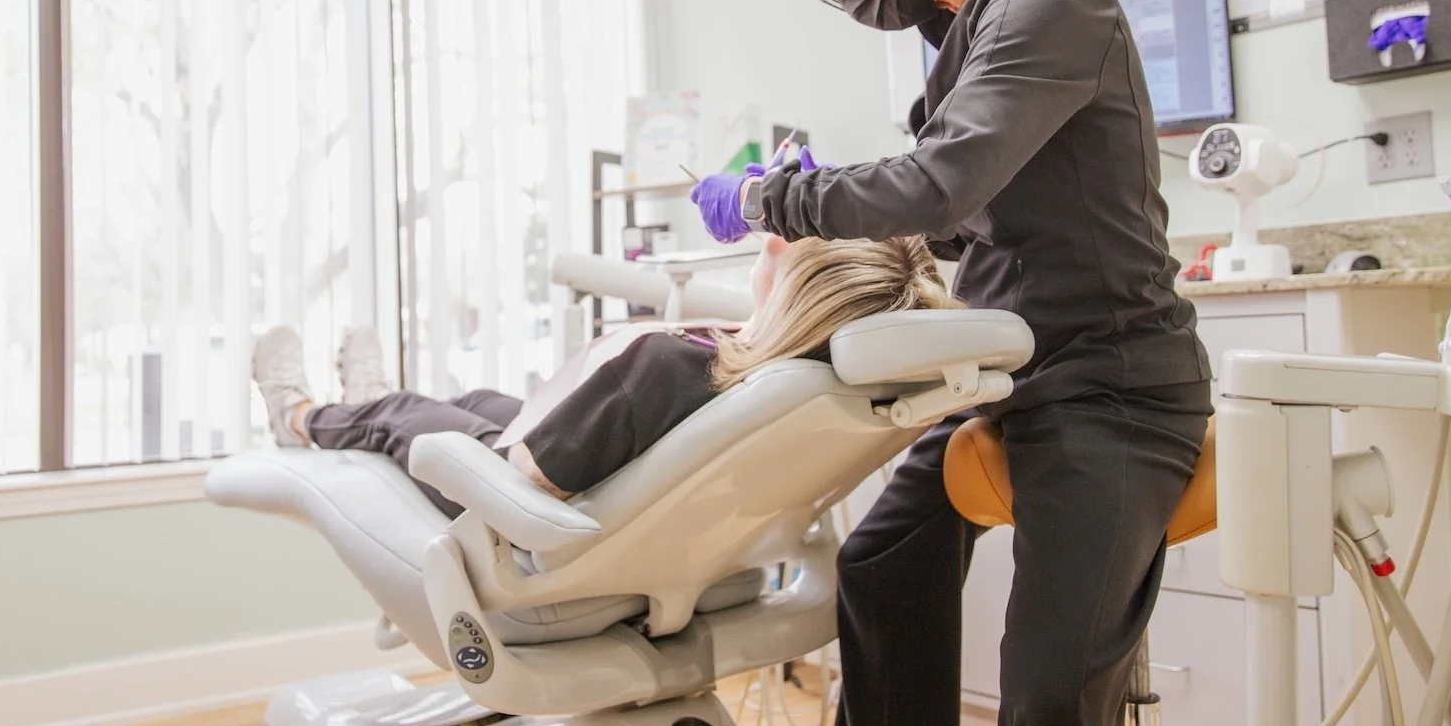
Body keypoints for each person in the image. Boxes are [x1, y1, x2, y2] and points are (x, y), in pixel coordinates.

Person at [693, 0, 1211, 726]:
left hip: (1115, 388)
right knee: (882, 564)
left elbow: (941, 182)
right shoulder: (962, 33)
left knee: (1042, 688)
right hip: (1014, 376)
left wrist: (775, 199)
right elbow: (977, 224)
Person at [252, 233, 958, 517]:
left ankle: (301, 415)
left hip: (519, 503)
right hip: (608, 489)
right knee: (469, 397)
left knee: (403, 413)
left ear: (801, 290)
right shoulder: (797, 380)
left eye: (795, 240)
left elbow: (528, 482)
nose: (772, 234)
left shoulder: (674, 363)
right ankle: (367, 403)